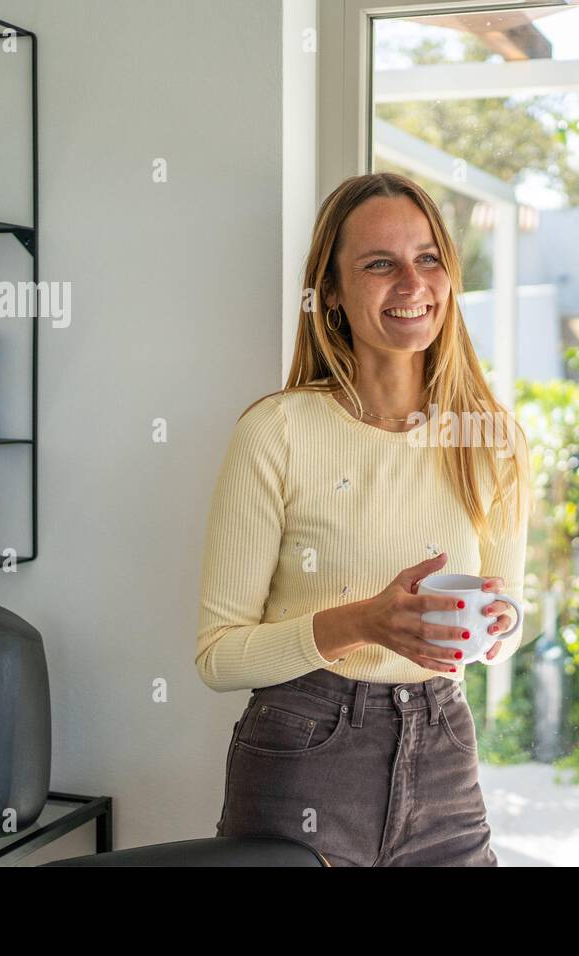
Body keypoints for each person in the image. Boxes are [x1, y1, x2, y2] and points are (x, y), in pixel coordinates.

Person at [196, 171, 530, 867]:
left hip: (442, 749)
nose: (412, 282)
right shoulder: (277, 432)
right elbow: (218, 656)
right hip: (304, 748)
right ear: (334, 295)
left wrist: (503, 625)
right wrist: (362, 623)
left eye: (428, 258)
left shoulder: (490, 438)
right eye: (380, 264)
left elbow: (503, 621)